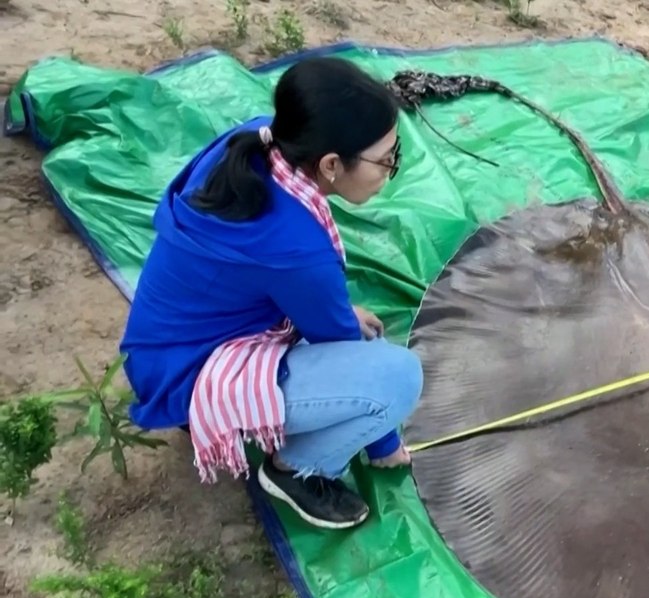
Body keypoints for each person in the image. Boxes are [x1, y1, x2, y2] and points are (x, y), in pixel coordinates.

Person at [120, 56, 423, 531]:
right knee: (397, 377)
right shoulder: (297, 248)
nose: (391, 170)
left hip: (163, 348)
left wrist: (334, 309)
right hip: (189, 380)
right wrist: (384, 445)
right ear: (330, 164)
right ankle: (296, 470)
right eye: (386, 160)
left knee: (363, 339)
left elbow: (286, 281)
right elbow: (338, 341)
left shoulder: (259, 141)